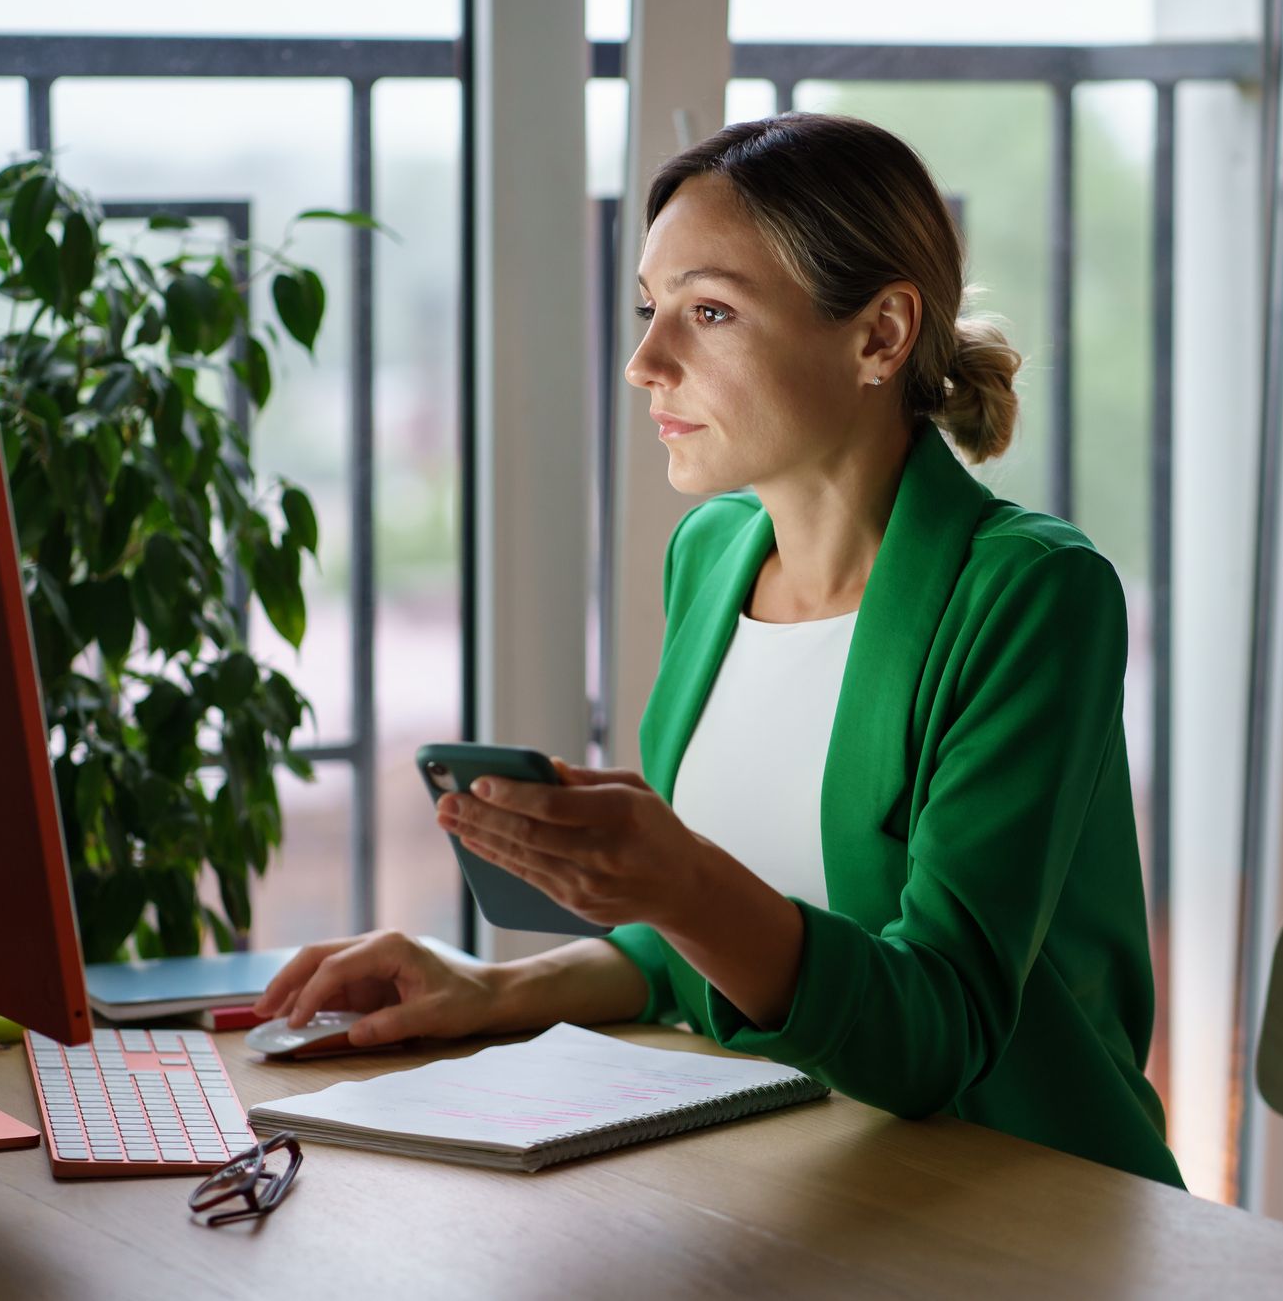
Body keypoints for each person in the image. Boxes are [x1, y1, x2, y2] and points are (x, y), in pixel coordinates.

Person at [255, 111, 1184, 1189]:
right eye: (652, 310)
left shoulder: (1031, 594)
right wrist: (490, 988)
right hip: (796, 1168)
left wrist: (681, 880)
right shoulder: (713, 556)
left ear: (880, 335)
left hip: (1022, 1200)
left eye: (709, 312)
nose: (646, 361)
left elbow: (939, 1035)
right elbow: (721, 950)